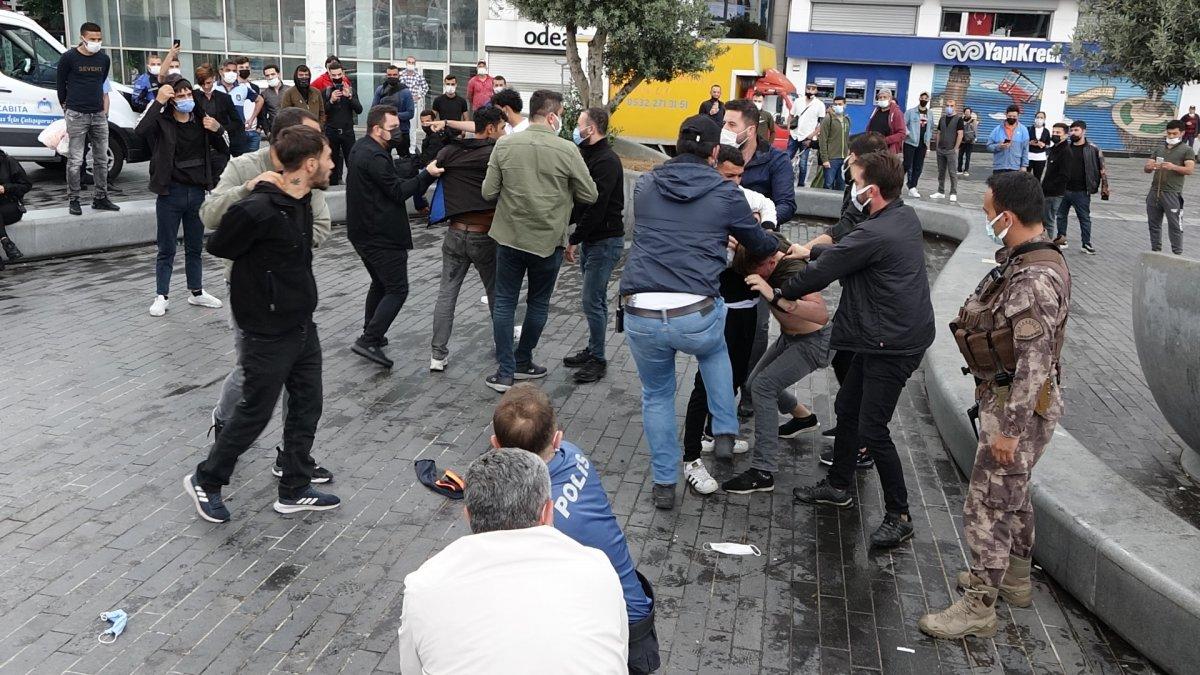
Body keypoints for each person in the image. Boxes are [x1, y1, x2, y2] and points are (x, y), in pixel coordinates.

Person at [920, 170, 1070, 640]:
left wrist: (1009, 429)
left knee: (988, 503)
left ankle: (979, 605)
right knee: (1014, 491)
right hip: (1010, 401)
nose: (988, 222)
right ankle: (1016, 580)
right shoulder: (1030, 259)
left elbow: (1035, 364)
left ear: (1007, 216)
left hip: (1015, 410)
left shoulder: (1034, 280)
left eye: (989, 215)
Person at [619, 115, 778, 510]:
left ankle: (663, 484)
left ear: (675, 145)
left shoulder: (646, 184)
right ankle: (724, 429)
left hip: (641, 308)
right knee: (714, 348)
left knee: (656, 396)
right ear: (713, 152)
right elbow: (758, 244)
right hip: (695, 307)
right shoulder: (727, 194)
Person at [185, 125, 339, 522]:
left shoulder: (303, 200)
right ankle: (207, 479)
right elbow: (218, 245)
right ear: (309, 165)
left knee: (308, 404)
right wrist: (260, 290)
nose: (331, 164)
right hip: (266, 330)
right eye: (327, 158)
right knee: (255, 411)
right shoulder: (258, 208)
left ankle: (293, 486)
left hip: (301, 324)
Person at [787, 150, 935, 548]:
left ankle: (899, 514)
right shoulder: (898, 216)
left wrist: (779, 289)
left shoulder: (879, 229)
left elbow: (826, 269)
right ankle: (838, 484)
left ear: (872, 191)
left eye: (854, 181)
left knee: (874, 428)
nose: (850, 187)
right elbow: (848, 249)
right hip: (883, 336)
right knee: (849, 409)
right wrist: (811, 250)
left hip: (893, 344)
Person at [397, 448, 628, 673]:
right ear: (548, 512)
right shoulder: (597, 567)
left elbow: (411, 668)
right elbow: (619, 651)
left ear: (467, 515)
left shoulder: (424, 585)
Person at [489, 385, 660, 674]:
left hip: (620, 632)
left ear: (495, 445)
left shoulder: (538, 515)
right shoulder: (571, 453)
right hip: (630, 604)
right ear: (557, 439)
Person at [481, 90, 598, 392]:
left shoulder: (505, 145)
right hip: (548, 241)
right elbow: (590, 194)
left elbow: (488, 192)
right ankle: (523, 361)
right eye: (561, 113)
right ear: (551, 116)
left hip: (509, 237)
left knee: (505, 302)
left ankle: (505, 372)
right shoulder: (568, 150)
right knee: (538, 303)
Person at [679, 146, 777, 494]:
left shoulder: (744, 198)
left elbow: (767, 207)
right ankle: (690, 456)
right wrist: (735, 246)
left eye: (739, 176)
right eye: (727, 177)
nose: (734, 184)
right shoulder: (701, 207)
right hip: (718, 310)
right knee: (705, 384)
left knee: (735, 376)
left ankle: (712, 431)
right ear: (712, 169)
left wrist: (759, 231)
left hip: (748, 308)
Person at [720, 233, 831, 495]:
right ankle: (804, 418)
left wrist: (774, 296)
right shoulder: (764, 245)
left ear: (770, 263)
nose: (749, 276)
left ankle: (763, 470)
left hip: (813, 341)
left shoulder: (793, 271)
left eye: (753, 271)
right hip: (790, 337)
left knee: (762, 388)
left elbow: (821, 314)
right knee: (753, 381)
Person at [346, 105, 439, 368]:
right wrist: (426, 175)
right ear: (377, 129)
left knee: (380, 283)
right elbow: (398, 193)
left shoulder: (362, 148)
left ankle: (372, 329)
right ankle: (369, 339)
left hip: (362, 232)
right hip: (381, 235)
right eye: (392, 128)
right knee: (397, 289)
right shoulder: (374, 156)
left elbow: (385, 182)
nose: (397, 132)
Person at [721, 98, 796, 417]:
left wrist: (760, 230)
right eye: (724, 123)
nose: (725, 129)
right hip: (724, 258)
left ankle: (750, 392)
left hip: (757, 259)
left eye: (731, 124)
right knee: (723, 326)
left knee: (757, 330)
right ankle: (724, 390)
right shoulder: (720, 156)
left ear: (750, 130)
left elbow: (786, 204)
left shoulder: (774, 160)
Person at [135, 78, 227, 317]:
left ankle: (196, 292)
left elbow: (226, 147)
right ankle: (161, 296)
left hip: (197, 192)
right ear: (172, 99)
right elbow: (140, 131)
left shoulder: (201, 121)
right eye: (180, 95)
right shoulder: (162, 122)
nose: (186, 99)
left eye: (188, 94)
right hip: (170, 193)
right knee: (166, 248)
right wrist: (158, 101)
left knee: (195, 247)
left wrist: (218, 129)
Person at [428, 106, 505, 372]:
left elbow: (477, 134)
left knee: (446, 295)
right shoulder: (496, 153)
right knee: (497, 295)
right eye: (502, 127)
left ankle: (437, 355)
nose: (504, 131)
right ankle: (504, 349)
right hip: (485, 235)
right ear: (493, 128)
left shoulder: (448, 153)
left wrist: (448, 123)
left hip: (454, 234)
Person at [564, 107, 625, 385]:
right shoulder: (588, 155)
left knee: (593, 300)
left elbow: (596, 205)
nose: (577, 129)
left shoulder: (606, 160)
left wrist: (574, 237)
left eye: (580, 125)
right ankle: (593, 349)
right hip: (592, 240)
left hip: (605, 240)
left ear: (593, 128)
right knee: (593, 300)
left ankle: (598, 359)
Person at [57, 22, 120, 217]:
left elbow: (101, 83)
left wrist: (102, 110)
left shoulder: (103, 59)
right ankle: (74, 199)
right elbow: (61, 85)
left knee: (101, 158)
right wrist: (66, 107)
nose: (96, 42)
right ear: (82, 38)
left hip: (98, 114)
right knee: (75, 159)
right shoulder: (68, 58)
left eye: (99, 39)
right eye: (92, 39)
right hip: (76, 113)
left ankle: (101, 197)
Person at [1045, 120, 1104, 254]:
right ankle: (1062, 239)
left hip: (1082, 190)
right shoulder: (1066, 148)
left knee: (1084, 217)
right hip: (1064, 189)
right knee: (1061, 215)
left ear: (1084, 131)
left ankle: (1086, 243)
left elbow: (1101, 169)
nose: (1073, 133)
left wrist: (1102, 188)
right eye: (1071, 130)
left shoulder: (1092, 149)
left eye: (1076, 130)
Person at [1144, 119, 1196, 254]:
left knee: (1175, 225)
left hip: (1172, 193)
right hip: (1155, 191)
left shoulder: (1187, 150)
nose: (1171, 137)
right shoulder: (1159, 149)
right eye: (1169, 134)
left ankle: (1177, 253)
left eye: (1174, 134)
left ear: (1182, 133)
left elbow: (1190, 170)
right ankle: (1155, 250)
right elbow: (1147, 167)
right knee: (1153, 224)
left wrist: (1174, 167)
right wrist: (1150, 166)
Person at [194, 65, 244, 176]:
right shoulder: (193, 97)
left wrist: (220, 128)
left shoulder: (224, 98)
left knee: (221, 181)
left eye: (209, 82)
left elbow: (238, 122)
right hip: (199, 148)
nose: (206, 87)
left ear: (214, 79)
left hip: (219, 148)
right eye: (202, 84)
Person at [321, 61, 361, 186]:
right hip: (331, 132)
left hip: (348, 132)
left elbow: (359, 110)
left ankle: (354, 185)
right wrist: (331, 101)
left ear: (343, 74)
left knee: (352, 161)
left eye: (339, 74)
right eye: (334, 75)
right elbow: (322, 111)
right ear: (329, 74)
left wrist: (349, 97)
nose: (337, 77)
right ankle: (332, 188)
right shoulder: (326, 91)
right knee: (332, 162)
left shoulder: (350, 90)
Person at [217, 59, 263, 156]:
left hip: (238, 135)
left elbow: (260, 100)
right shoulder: (213, 88)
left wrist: (251, 119)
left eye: (234, 71)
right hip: (219, 134)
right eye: (228, 70)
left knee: (241, 166)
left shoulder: (243, 88)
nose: (231, 73)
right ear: (221, 71)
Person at [371, 64, 414, 154]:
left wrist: (393, 116)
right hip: (384, 132)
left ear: (399, 75)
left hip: (402, 131)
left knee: (405, 162)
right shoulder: (380, 90)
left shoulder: (405, 92)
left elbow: (410, 113)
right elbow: (373, 110)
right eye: (389, 75)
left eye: (394, 75)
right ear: (386, 76)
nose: (392, 77)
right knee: (383, 160)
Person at [787, 83, 825, 186]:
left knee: (803, 164)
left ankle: (801, 184)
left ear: (816, 91)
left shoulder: (819, 104)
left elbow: (822, 124)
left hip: (807, 138)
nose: (810, 91)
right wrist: (788, 129)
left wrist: (812, 135)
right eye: (808, 88)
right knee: (786, 159)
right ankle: (785, 181)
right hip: (794, 135)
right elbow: (790, 115)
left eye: (813, 89)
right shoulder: (798, 101)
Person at [0, 148, 31, 271]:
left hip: (10, 207)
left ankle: (6, 242)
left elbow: (26, 185)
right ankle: (6, 242)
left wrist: (5, 188)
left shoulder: (8, 161)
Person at [1041, 123, 1070, 247]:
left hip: (1054, 193)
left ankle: (1048, 246)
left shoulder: (1065, 151)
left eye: (1058, 133)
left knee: (1048, 220)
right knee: (1044, 219)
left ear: (1065, 135)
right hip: (1046, 191)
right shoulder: (1055, 148)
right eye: (1054, 132)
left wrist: (1051, 187)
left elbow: (1064, 175)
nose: (1055, 135)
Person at [931, 98, 964, 202]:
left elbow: (960, 134)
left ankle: (953, 192)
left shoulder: (959, 119)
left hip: (951, 150)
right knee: (941, 171)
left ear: (955, 107)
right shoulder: (942, 119)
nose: (949, 108)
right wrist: (937, 146)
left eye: (951, 105)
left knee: (952, 172)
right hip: (941, 149)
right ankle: (940, 191)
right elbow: (939, 132)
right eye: (947, 105)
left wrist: (956, 148)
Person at [902, 92, 932, 197]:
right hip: (910, 142)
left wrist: (928, 146)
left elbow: (930, 129)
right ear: (919, 98)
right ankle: (896, 183)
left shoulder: (930, 114)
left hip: (922, 143)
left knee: (918, 166)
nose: (924, 100)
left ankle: (913, 186)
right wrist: (908, 133)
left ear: (928, 100)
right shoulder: (911, 112)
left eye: (926, 98)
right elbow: (903, 125)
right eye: (922, 98)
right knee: (907, 164)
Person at [817, 96, 850, 191]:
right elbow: (823, 140)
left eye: (840, 104)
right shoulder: (828, 119)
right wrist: (825, 159)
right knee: (828, 185)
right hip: (831, 159)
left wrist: (848, 156)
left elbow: (847, 139)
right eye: (835, 104)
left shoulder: (847, 120)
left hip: (843, 159)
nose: (837, 106)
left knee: (841, 186)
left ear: (845, 105)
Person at [987, 105, 1030, 174]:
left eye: (1014, 116)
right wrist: (999, 146)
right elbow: (989, 146)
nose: (1012, 118)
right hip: (999, 166)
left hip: (1015, 167)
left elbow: (1025, 149)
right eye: (1010, 116)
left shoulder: (1023, 130)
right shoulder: (997, 130)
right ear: (1006, 115)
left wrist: (1024, 165)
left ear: (1018, 116)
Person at [867, 88, 906, 155]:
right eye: (880, 97)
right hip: (872, 148)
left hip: (886, 150)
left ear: (890, 99)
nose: (882, 99)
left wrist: (884, 140)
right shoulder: (876, 111)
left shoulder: (896, 113)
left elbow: (901, 134)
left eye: (884, 97)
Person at [258, 64, 289, 136]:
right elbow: (263, 115)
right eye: (267, 75)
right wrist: (267, 132)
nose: (270, 77)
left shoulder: (289, 90)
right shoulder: (264, 94)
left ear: (278, 74)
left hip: (290, 129)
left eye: (273, 74)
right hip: (274, 131)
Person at [1027, 111, 1051, 179]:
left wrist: (1043, 144)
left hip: (1040, 157)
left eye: (1041, 117)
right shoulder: (1029, 129)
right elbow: (1023, 142)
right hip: (1029, 156)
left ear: (1044, 119)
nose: (1039, 119)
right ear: (1035, 118)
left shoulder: (1046, 131)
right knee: (1025, 177)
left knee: (1037, 178)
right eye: (1037, 117)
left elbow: (1048, 144)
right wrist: (1030, 143)